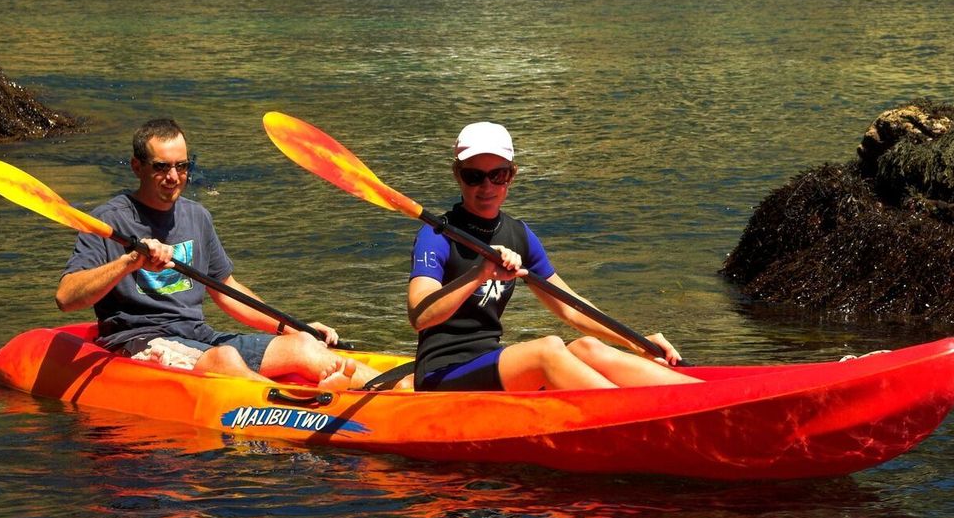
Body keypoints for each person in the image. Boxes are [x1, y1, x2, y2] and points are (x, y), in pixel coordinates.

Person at [57, 118, 375, 389]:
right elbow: (67, 297)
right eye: (161, 167)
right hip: (140, 342)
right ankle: (307, 408)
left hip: (198, 336)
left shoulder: (197, 216)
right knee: (224, 360)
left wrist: (296, 327)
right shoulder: (108, 220)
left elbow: (228, 291)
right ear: (137, 167)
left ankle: (400, 390)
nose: (173, 177)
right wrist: (130, 262)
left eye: (182, 166)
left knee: (304, 347)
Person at [407, 122, 699, 391]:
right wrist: (479, 274)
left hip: (492, 361)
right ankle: (642, 418)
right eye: (474, 176)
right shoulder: (436, 236)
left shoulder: (518, 234)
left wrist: (637, 342)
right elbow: (420, 316)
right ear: (458, 175)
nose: (487, 187)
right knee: (548, 349)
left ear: (512, 175)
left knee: (588, 347)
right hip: (441, 374)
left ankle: (699, 393)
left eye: (499, 175)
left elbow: (572, 309)